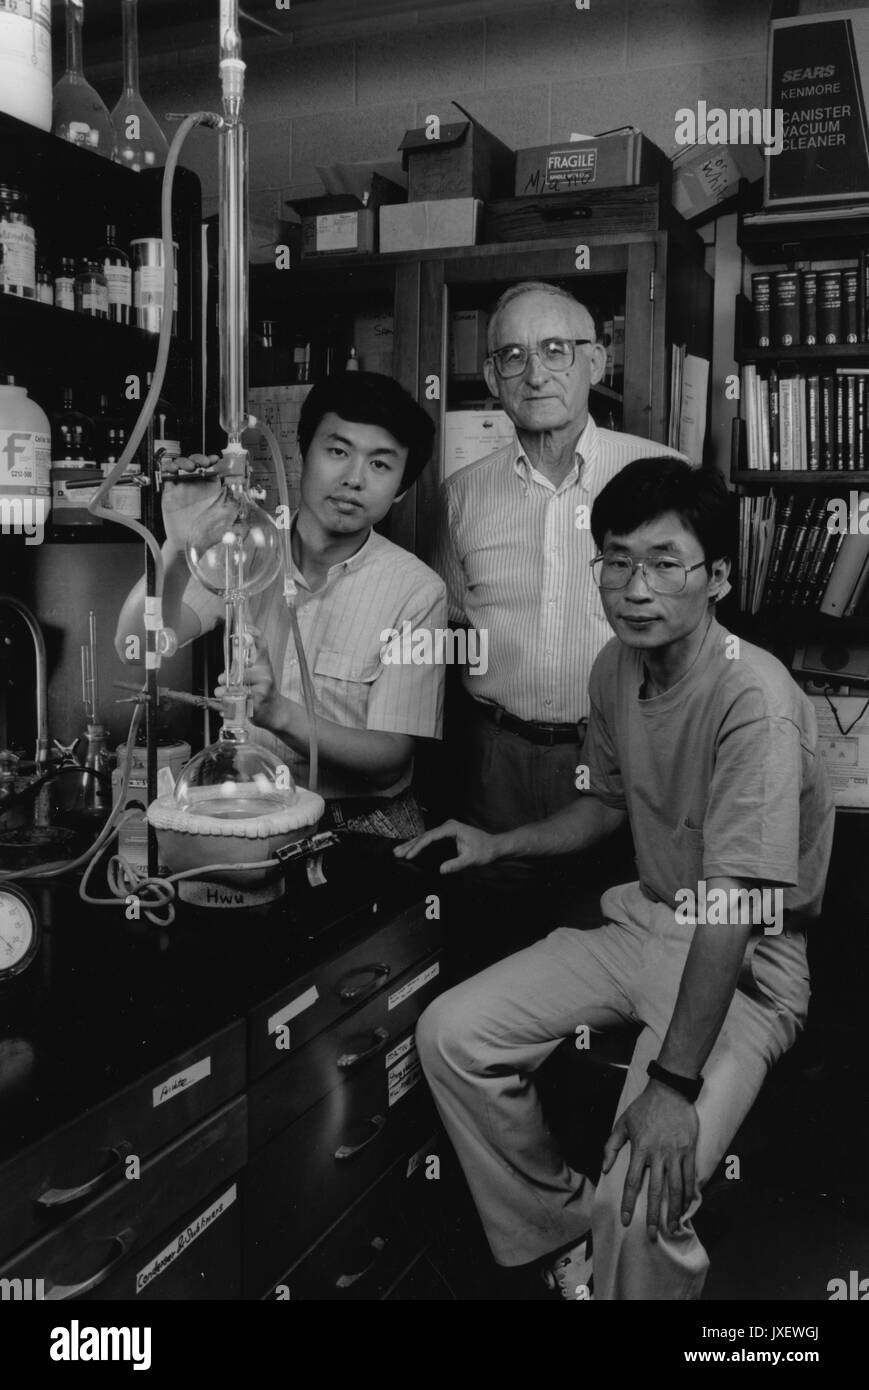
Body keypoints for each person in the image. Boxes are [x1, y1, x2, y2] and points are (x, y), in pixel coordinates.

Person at [399, 458, 834, 1300]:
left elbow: (735, 910)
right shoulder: (615, 666)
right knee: (452, 1034)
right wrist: (499, 843)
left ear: (717, 577)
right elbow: (604, 803)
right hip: (648, 919)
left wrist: (672, 1090)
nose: (635, 588)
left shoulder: (754, 698)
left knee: (641, 1194)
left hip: (745, 963)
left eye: (665, 563)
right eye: (615, 560)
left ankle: (620, 1252)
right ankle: (565, 1230)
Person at [433, 280, 688, 963]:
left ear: (595, 362)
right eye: (511, 356)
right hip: (496, 761)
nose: (535, 371)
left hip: (624, 759)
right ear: (490, 375)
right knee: (491, 954)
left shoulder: (662, 477)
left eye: (555, 349)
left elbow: (695, 637)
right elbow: (455, 626)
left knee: (620, 954)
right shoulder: (461, 495)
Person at [115, 372, 446, 838]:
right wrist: (178, 544)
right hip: (252, 812)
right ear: (302, 453)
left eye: (380, 465)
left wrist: (279, 714)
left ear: (402, 488)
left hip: (364, 823)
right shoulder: (246, 546)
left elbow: (391, 759)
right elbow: (134, 645)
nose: (353, 479)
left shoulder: (417, 590)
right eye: (337, 451)